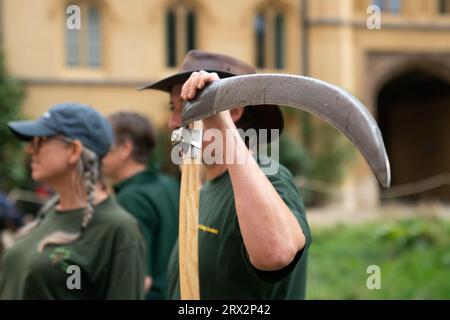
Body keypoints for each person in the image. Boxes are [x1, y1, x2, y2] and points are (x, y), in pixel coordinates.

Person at [139, 50, 312, 299]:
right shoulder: (209, 187)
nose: (173, 122)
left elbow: (276, 253)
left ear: (233, 112)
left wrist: (218, 121)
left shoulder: (271, 177)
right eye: (172, 108)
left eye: (185, 106)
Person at [0, 103, 146, 299]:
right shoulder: (50, 211)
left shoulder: (118, 229)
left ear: (74, 150)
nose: (29, 150)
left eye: (39, 141)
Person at [102, 112, 179, 300]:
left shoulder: (131, 199)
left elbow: (137, 279)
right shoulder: (170, 185)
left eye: (103, 141)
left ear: (125, 148)